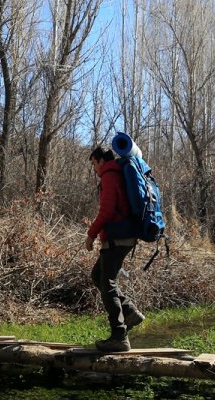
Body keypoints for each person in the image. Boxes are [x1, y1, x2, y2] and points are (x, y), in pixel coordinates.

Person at [85, 146, 145, 352]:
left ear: (101, 160)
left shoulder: (110, 175)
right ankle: (129, 312)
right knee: (98, 276)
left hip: (117, 238)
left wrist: (91, 234)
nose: (94, 168)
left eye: (93, 163)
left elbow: (107, 211)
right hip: (122, 237)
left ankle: (119, 337)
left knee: (107, 282)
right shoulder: (115, 173)